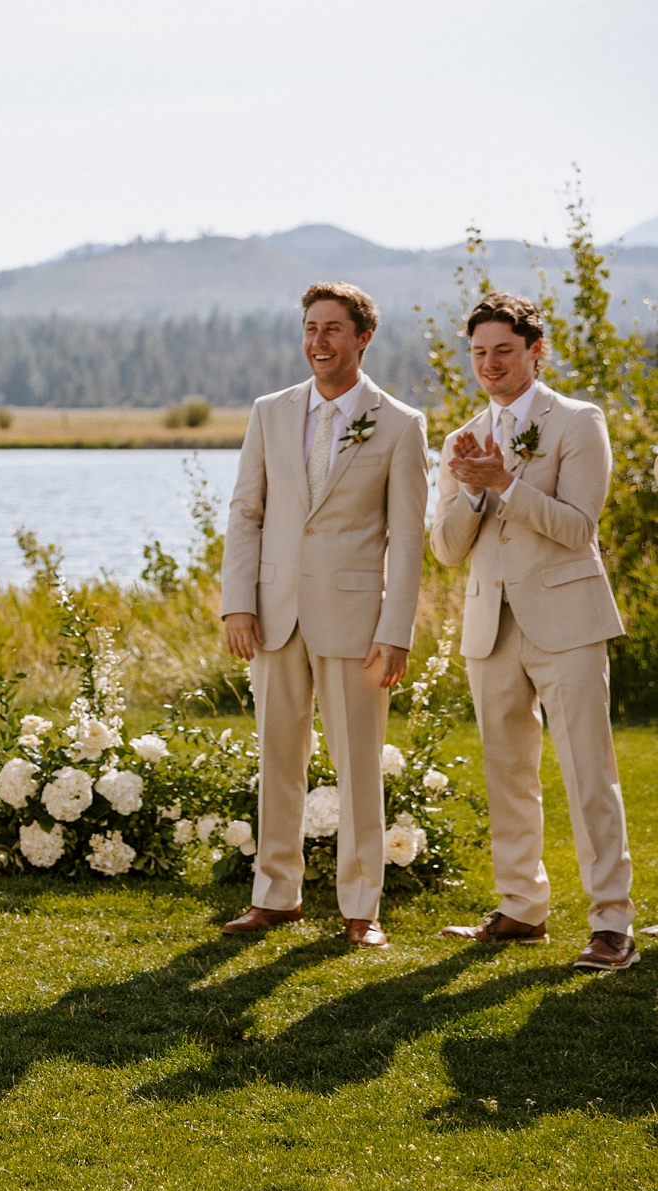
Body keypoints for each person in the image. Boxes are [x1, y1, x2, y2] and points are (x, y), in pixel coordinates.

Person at [219, 282, 427, 948]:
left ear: (362, 338)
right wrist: (238, 602)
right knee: (277, 757)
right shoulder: (270, 412)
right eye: (310, 328)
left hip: (357, 622)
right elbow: (246, 512)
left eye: (333, 329)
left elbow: (408, 539)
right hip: (274, 614)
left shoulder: (398, 423)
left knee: (357, 766)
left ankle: (361, 907)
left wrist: (396, 631)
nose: (318, 342)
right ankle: (276, 896)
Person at [432, 294, 636, 969]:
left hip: (568, 620)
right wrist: (471, 491)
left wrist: (508, 485)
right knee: (507, 772)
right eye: (480, 352)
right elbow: (446, 550)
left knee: (589, 772)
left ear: (534, 352)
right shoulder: (460, 438)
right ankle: (522, 908)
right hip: (491, 625)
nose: (489, 364)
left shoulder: (578, 421)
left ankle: (612, 923)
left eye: (504, 350)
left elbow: (579, 527)